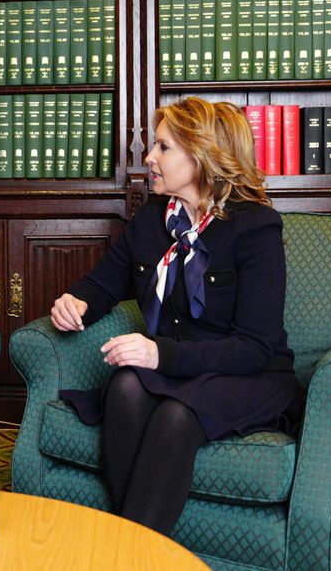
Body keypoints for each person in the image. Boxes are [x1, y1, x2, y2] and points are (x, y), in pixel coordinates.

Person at [50, 96, 304, 536]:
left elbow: (255, 347)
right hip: (178, 367)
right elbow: (102, 285)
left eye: (163, 147)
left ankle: (126, 555)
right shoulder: (152, 219)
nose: (149, 158)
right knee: (125, 387)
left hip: (248, 374)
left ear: (202, 154)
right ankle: (140, 548)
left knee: (175, 416)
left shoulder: (255, 227)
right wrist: (74, 303)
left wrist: (159, 355)